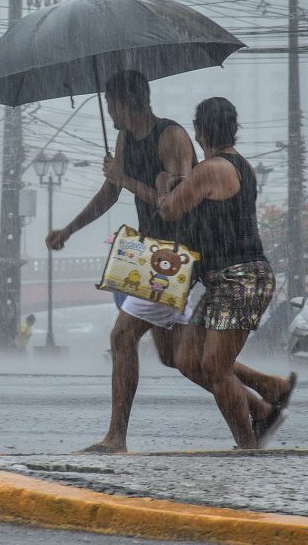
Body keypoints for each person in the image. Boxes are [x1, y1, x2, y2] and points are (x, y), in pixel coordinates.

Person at [46, 70, 198, 453]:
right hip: (154, 254)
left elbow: (180, 206)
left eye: (109, 102)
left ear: (124, 102)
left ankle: (116, 437)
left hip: (177, 254)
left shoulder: (171, 137)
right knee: (178, 356)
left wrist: (125, 178)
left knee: (122, 336)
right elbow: (110, 193)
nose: (108, 110)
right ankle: (265, 394)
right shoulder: (126, 138)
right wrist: (69, 229)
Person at [157, 97, 296, 449]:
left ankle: (247, 444)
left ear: (200, 131)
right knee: (188, 360)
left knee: (216, 369)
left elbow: (170, 211)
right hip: (225, 280)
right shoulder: (242, 166)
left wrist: (165, 184)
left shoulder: (210, 169)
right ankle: (267, 397)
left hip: (241, 279)